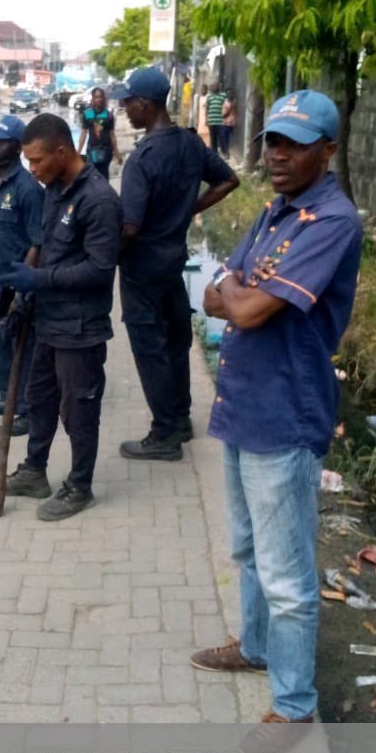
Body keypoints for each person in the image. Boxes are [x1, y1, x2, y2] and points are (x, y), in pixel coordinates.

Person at [190, 90, 363, 753]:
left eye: (294, 143)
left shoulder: (331, 221)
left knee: (288, 576)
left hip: (287, 411)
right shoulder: (275, 211)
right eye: (272, 142)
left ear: (329, 149)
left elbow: (251, 308)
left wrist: (236, 297)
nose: (278, 155)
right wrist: (236, 296)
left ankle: (294, 708)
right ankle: (256, 648)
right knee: (246, 550)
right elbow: (216, 290)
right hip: (243, 401)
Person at [0, 113, 122, 521]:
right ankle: (35, 471)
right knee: (41, 400)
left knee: (79, 411)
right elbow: (47, 247)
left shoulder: (99, 200)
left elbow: (100, 270)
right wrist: (21, 297)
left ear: (62, 152)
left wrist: (40, 278)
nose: (31, 171)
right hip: (48, 320)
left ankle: (79, 486)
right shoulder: (54, 187)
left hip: (80, 328)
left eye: (36, 161)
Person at [112, 67, 238, 460]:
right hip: (172, 263)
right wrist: (187, 212)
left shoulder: (142, 159)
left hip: (142, 269)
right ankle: (180, 418)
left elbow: (129, 226)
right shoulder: (188, 144)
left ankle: (164, 434)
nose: (124, 109)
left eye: (128, 102)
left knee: (150, 348)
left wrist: (100, 257)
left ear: (144, 104)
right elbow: (228, 181)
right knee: (176, 340)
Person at [0, 115, 44, 437]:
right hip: (0, 280)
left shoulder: (29, 190)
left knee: (24, 348)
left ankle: (28, 411)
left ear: (17, 148)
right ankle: (7, 400)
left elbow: (36, 242)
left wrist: (24, 288)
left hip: (22, 280)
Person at [76, 86, 122, 182]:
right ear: (92, 98)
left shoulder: (109, 115)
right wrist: (78, 152)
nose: (98, 99)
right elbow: (83, 134)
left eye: (100, 97)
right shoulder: (87, 114)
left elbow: (112, 134)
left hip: (106, 151)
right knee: (92, 177)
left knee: (104, 176)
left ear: (103, 98)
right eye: (96, 97)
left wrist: (117, 153)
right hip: (92, 150)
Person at [206, 83, 227, 154]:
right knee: (213, 138)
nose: (214, 87)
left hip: (220, 121)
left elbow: (226, 105)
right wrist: (207, 119)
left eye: (215, 86)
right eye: (213, 86)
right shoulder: (209, 97)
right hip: (211, 121)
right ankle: (215, 153)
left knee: (222, 137)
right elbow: (207, 108)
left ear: (218, 87)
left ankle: (225, 152)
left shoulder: (223, 95)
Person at [221, 87, 237, 160]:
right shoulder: (225, 102)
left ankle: (230, 153)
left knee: (231, 140)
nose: (230, 95)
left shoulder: (235, 102)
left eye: (231, 93)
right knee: (225, 139)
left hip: (233, 124)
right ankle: (226, 153)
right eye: (228, 93)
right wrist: (230, 108)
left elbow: (237, 112)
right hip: (226, 123)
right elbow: (223, 115)